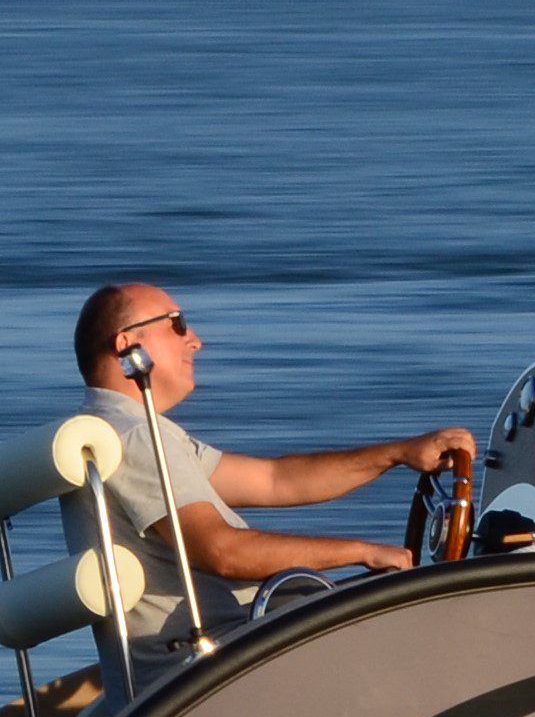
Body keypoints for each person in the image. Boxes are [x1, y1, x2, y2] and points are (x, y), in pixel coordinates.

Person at [65, 282, 477, 662]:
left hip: (236, 641)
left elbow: (276, 480)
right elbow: (223, 552)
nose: (195, 340)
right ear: (127, 346)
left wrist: (399, 453)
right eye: (177, 324)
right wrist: (362, 552)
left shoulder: (129, 431)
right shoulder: (136, 437)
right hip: (215, 660)